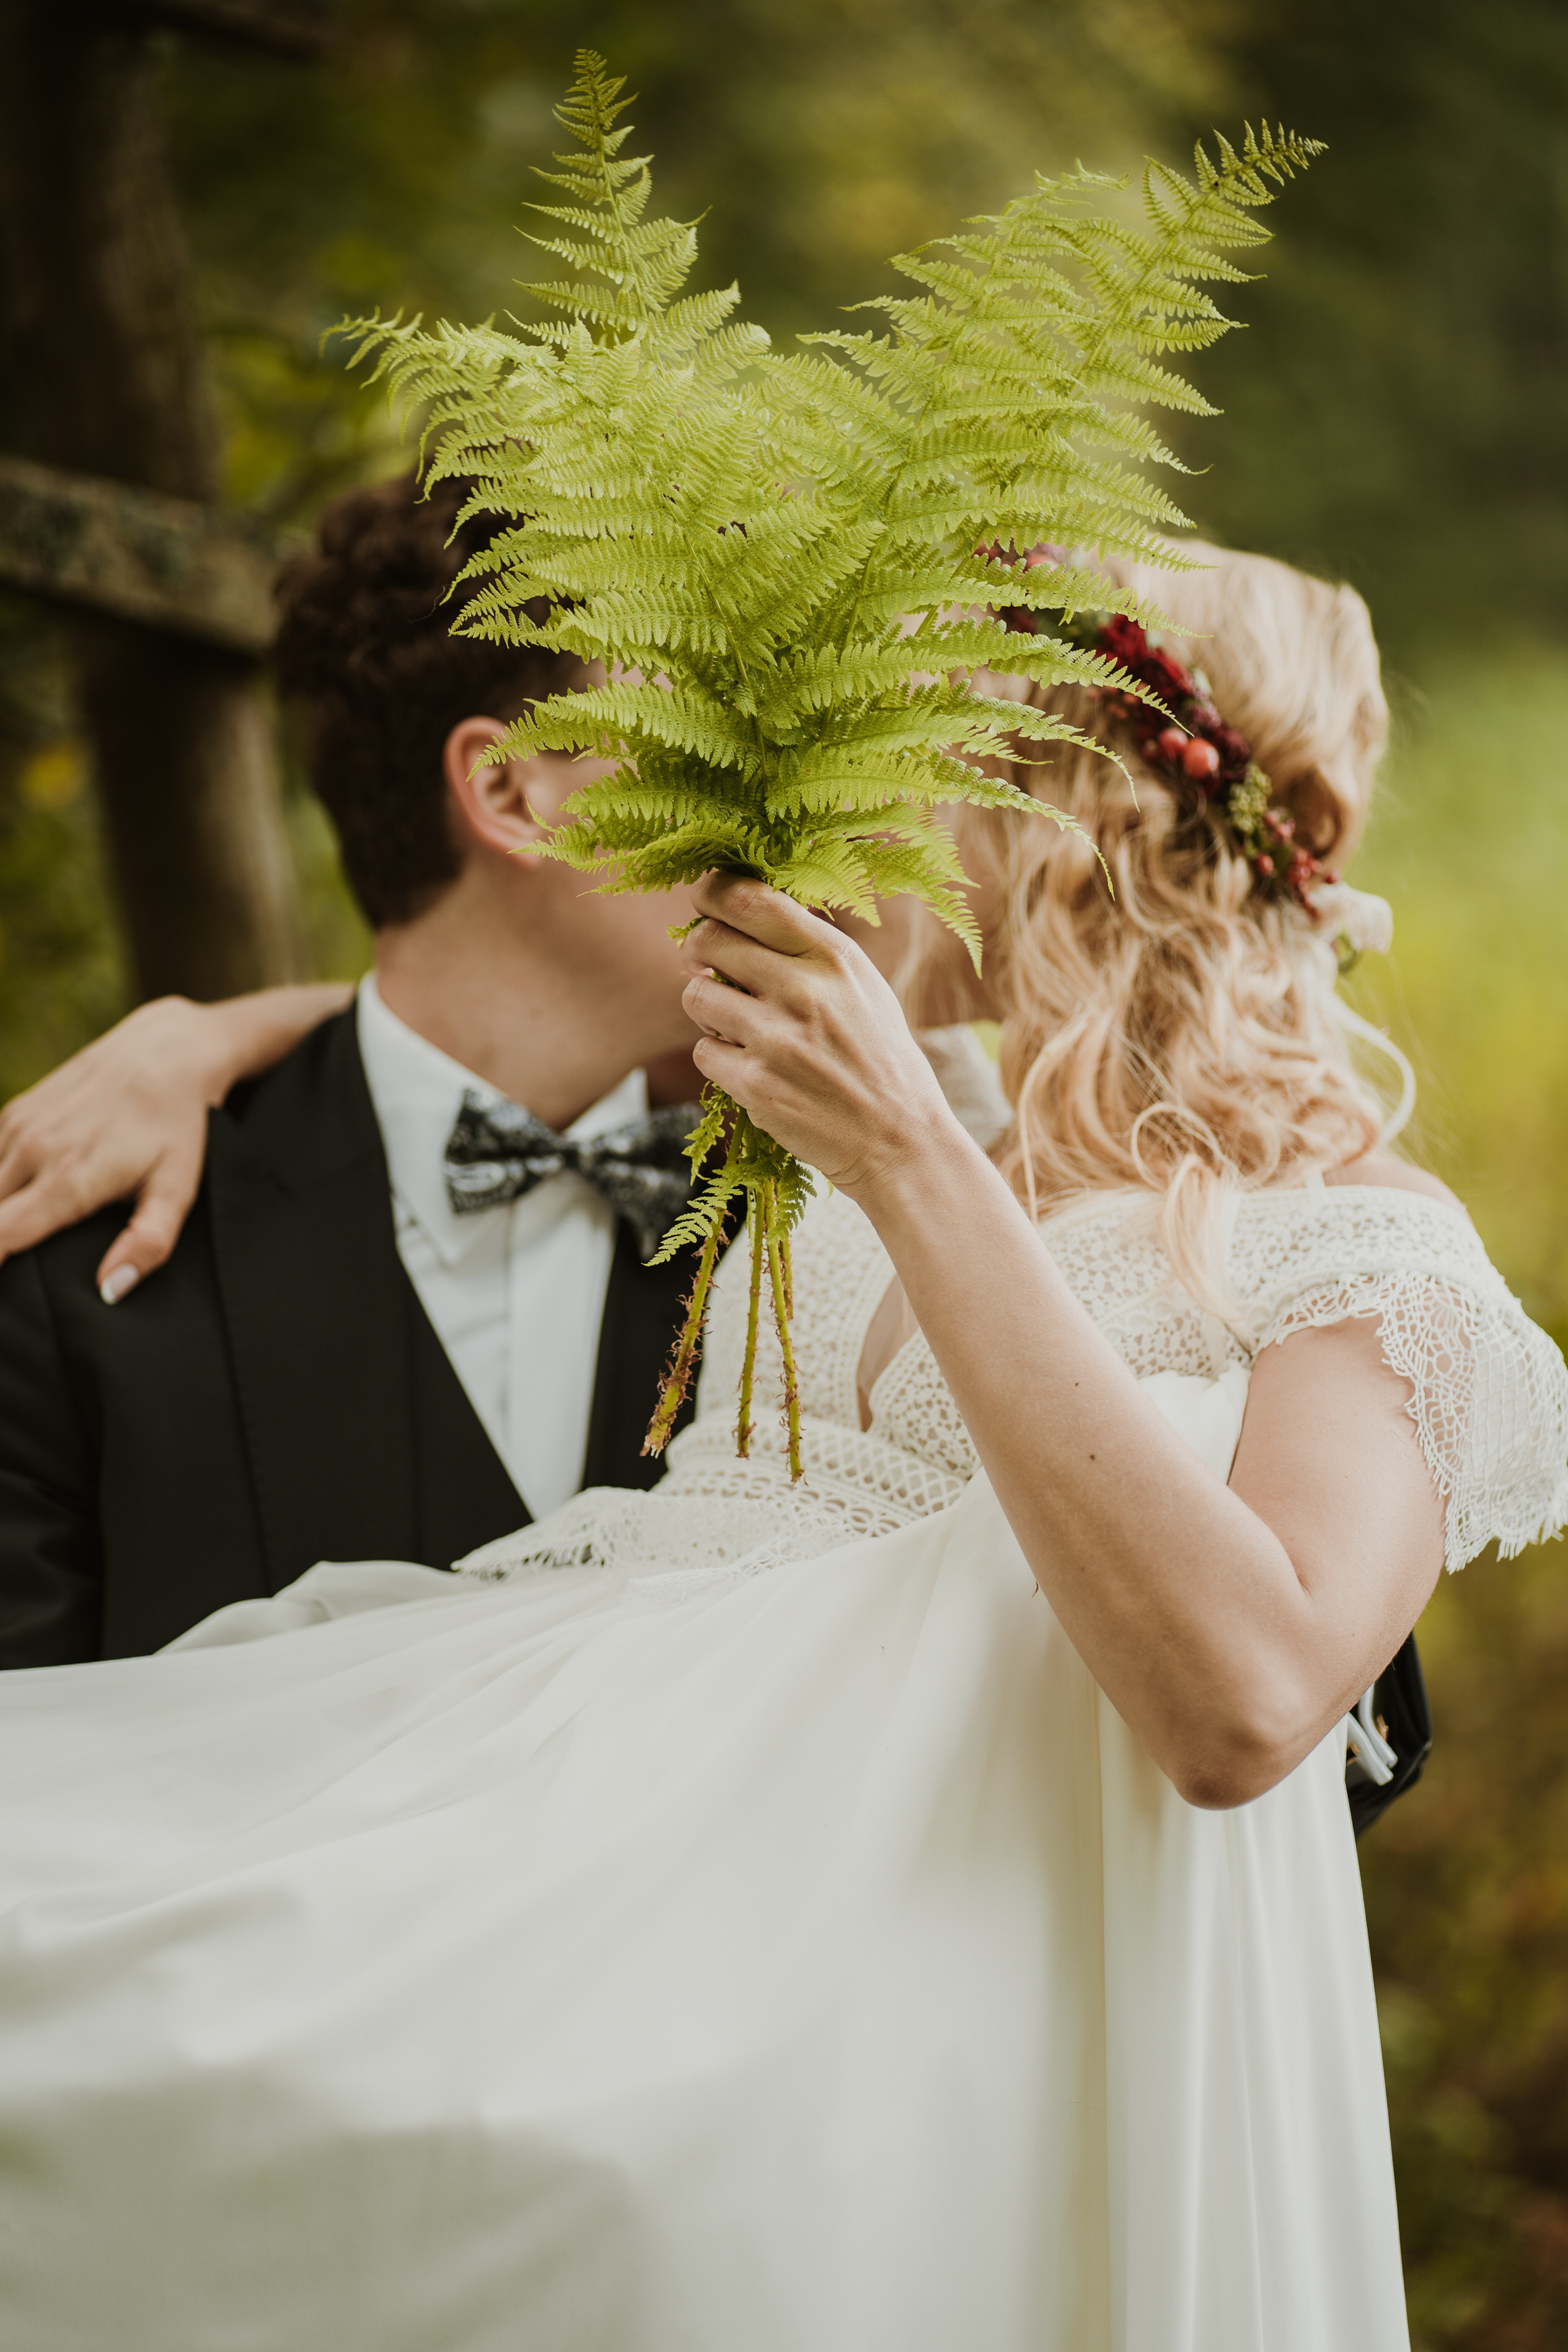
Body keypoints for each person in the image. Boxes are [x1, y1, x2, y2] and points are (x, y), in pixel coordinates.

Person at [1, 540, 1564, 2352]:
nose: (812, 814)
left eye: (893, 755)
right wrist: (227, 1038)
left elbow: (1253, 1704)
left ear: (1060, 817)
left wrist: (912, 1159)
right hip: (600, 1969)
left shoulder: (1344, 1234)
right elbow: (490, 1040)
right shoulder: (842, 1149)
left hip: (968, 2086)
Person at [0, 470, 736, 1665]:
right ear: (509, 791)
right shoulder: (73, 1281)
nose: (775, 805)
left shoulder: (819, 1233)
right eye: (709, 726)